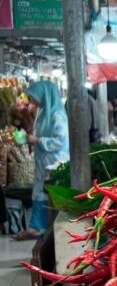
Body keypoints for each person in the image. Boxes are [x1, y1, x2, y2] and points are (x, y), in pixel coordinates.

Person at [16, 80, 69, 240]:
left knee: (49, 194)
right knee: (38, 192)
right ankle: (36, 227)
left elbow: (61, 141)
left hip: (55, 162)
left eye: (34, 97)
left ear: (44, 95)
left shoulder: (57, 115)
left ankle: (45, 228)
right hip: (43, 161)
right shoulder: (42, 112)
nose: (32, 101)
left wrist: (37, 140)